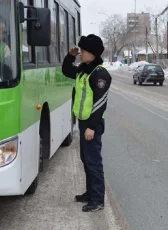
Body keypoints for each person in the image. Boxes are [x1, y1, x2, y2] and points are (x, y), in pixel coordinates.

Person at [62, 34, 112, 212]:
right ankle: (90, 193)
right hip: (84, 122)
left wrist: (91, 127)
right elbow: (67, 71)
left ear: (92, 53)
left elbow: (100, 103)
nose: (81, 53)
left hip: (92, 124)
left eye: (83, 51)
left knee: (93, 162)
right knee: (86, 159)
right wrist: (70, 56)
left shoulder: (99, 74)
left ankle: (97, 200)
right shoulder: (85, 69)